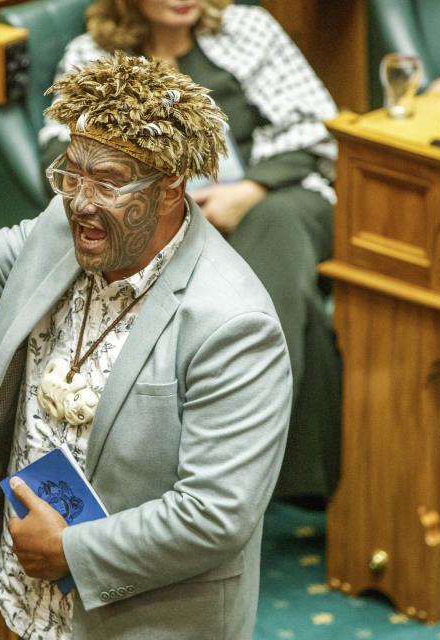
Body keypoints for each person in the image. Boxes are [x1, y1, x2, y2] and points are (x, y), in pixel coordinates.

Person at [0, 54, 291, 639]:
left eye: (107, 181)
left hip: (139, 624)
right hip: (23, 602)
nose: (80, 201)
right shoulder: (60, 231)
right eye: (72, 174)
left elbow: (215, 516)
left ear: (171, 185)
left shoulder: (233, 323)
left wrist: (73, 551)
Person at [40, 0, 342, 501]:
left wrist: (251, 192)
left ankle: (239, 457)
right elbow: (60, 154)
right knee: (286, 291)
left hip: (280, 193)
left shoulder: (247, 28)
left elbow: (321, 128)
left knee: (278, 226)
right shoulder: (91, 54)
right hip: (158, 217)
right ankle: (273, 467)